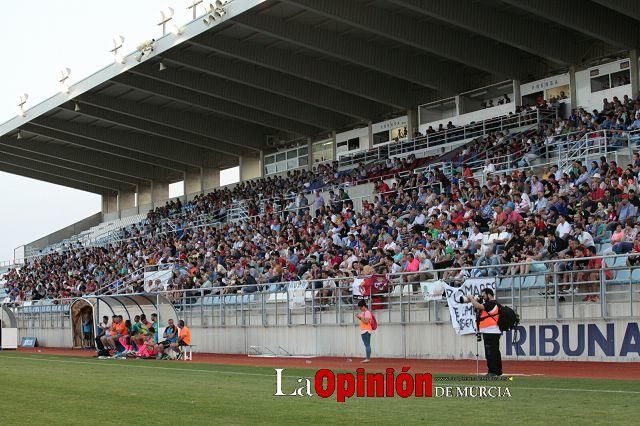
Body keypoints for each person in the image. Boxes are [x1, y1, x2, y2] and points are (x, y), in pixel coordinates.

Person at [467, 288, 502, 376]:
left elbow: (478, 306)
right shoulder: (495, 303)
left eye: (484, 295)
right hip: (493, 331)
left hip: (490, 331)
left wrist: (471, 298)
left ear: (489, 295)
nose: (483, 297)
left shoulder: (491, 303)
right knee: (495, 352)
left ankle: (492, 372)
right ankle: (497, 371)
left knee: (490, 353)